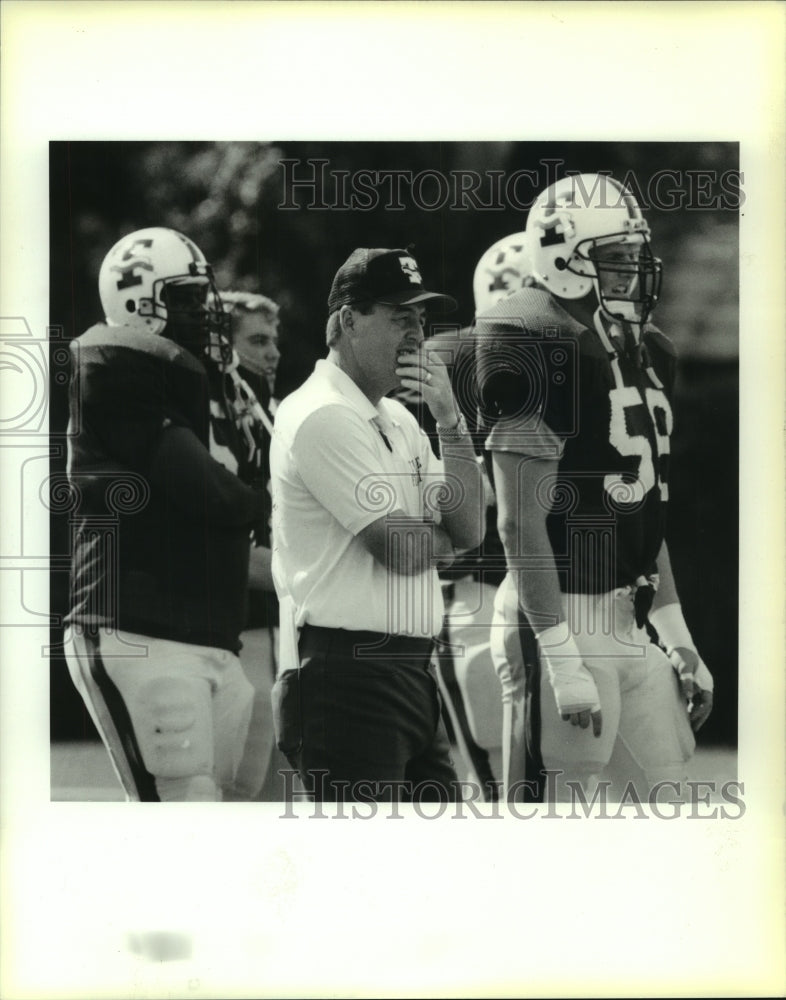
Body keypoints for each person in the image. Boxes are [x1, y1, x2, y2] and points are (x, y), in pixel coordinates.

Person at [476, 175, 714, 803]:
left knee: (668, 800)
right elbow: (518, 523)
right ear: (563, 258)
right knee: (553, 824)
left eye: (635, 258)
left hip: (628, 617)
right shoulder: (532, 336)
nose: (632, 274)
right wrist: (558, 651)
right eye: (615, 259)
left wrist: (677, 632)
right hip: (559, 612)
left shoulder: (642, 349)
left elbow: (640, 503)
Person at [269, 247, 486, 803]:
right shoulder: (321, 413)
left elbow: (472, 528)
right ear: (348, 321)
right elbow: (405, 550)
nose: (416, 334)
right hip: (346, 676)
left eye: (419, 319)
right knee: (365, 875)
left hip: (407, 671)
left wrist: (451, 422)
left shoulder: (399, 417)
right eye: (399, 318)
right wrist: (436, 542)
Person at [63, 227, 267, 802]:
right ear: (138, 301)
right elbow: (204, 489)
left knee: (240, 796)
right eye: (184, 298)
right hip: (139, 626)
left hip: (209, 632)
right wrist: (259, 498)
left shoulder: (201, 386)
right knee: (185, 809)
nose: (202, 311)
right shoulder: (118, 364)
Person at [205, 290, 289, 800]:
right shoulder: (216, 411)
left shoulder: (272, 412)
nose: (273, 353)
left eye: (274, 340)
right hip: (239, 622)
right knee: (237, 788)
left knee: (275, 791)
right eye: (257, 340)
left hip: (278, 621)